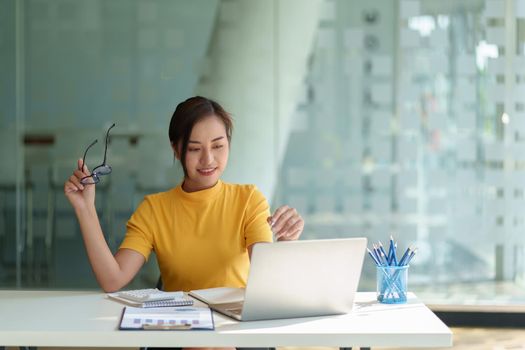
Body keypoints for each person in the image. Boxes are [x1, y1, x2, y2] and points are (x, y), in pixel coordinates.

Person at [64, 95, 305, 296]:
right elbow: (113, 279)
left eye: (218, 146)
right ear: (176, 149)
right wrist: (85, 209)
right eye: (194, 149)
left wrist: (286, 242)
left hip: (234, 331)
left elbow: (269, 280)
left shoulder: (249, 201)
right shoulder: (155, 210)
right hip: (180, 330)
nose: (208, 159)